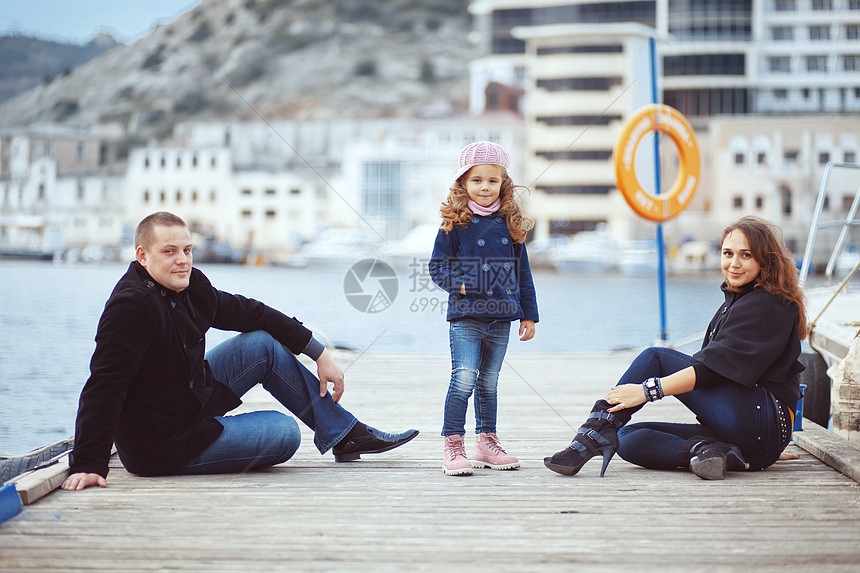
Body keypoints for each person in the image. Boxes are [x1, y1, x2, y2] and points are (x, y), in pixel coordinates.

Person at [61, 212, 418, 491]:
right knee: (284, 432)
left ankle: (343, 434)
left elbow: (251, 312)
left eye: (187, 250)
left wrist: (318, 352)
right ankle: (217, 436)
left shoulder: (190, 285)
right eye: (169, 252)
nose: (182, 259)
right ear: (142, 256)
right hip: (161, 442)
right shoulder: (132, 307)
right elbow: (104, 386)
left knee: (261, 343)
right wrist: (88, 463)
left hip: (187, 399)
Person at [544, 216, 805, 480]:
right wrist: (768, 444)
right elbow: (717, 370)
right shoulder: (744, 301)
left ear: (765, 259)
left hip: (758, 424)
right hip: (753, 443)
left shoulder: (766, 303)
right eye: (728, 253)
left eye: (746, 255)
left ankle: (591, 434)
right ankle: (707, 451)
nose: (734, 263)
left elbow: (710, 372)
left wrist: (647, 391)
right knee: (625, 437)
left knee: (656, 356)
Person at [428, 140, 539, 476]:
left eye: (492, 180)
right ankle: (453, 443)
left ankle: (486, 442)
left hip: (502, 317)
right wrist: (461, 285)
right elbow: (437, 267)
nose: (485, 187)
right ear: (463, 183)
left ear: (503, 182)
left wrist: (529, 313)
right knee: (464, 378)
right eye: (477, 180)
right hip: (466, 316)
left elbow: (523, 272)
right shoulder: (454, 222)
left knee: (489, 382)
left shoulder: (510, 222)